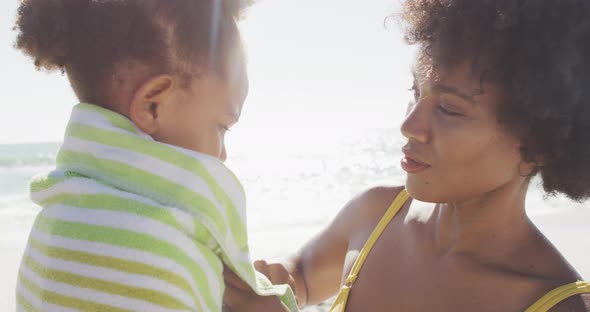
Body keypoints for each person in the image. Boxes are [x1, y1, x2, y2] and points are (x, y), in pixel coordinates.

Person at [223, 0, 590, 311]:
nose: (409, 124)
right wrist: (269, 285)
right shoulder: (375, 213)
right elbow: (300, 275)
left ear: (539, 140)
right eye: (415, 91)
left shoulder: (554, 303)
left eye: (449, 109)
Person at [13, 0, 297, 311]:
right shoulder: (169, 262)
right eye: (222, 127)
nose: (223, 154)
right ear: (153, 105)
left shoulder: (54, 223)